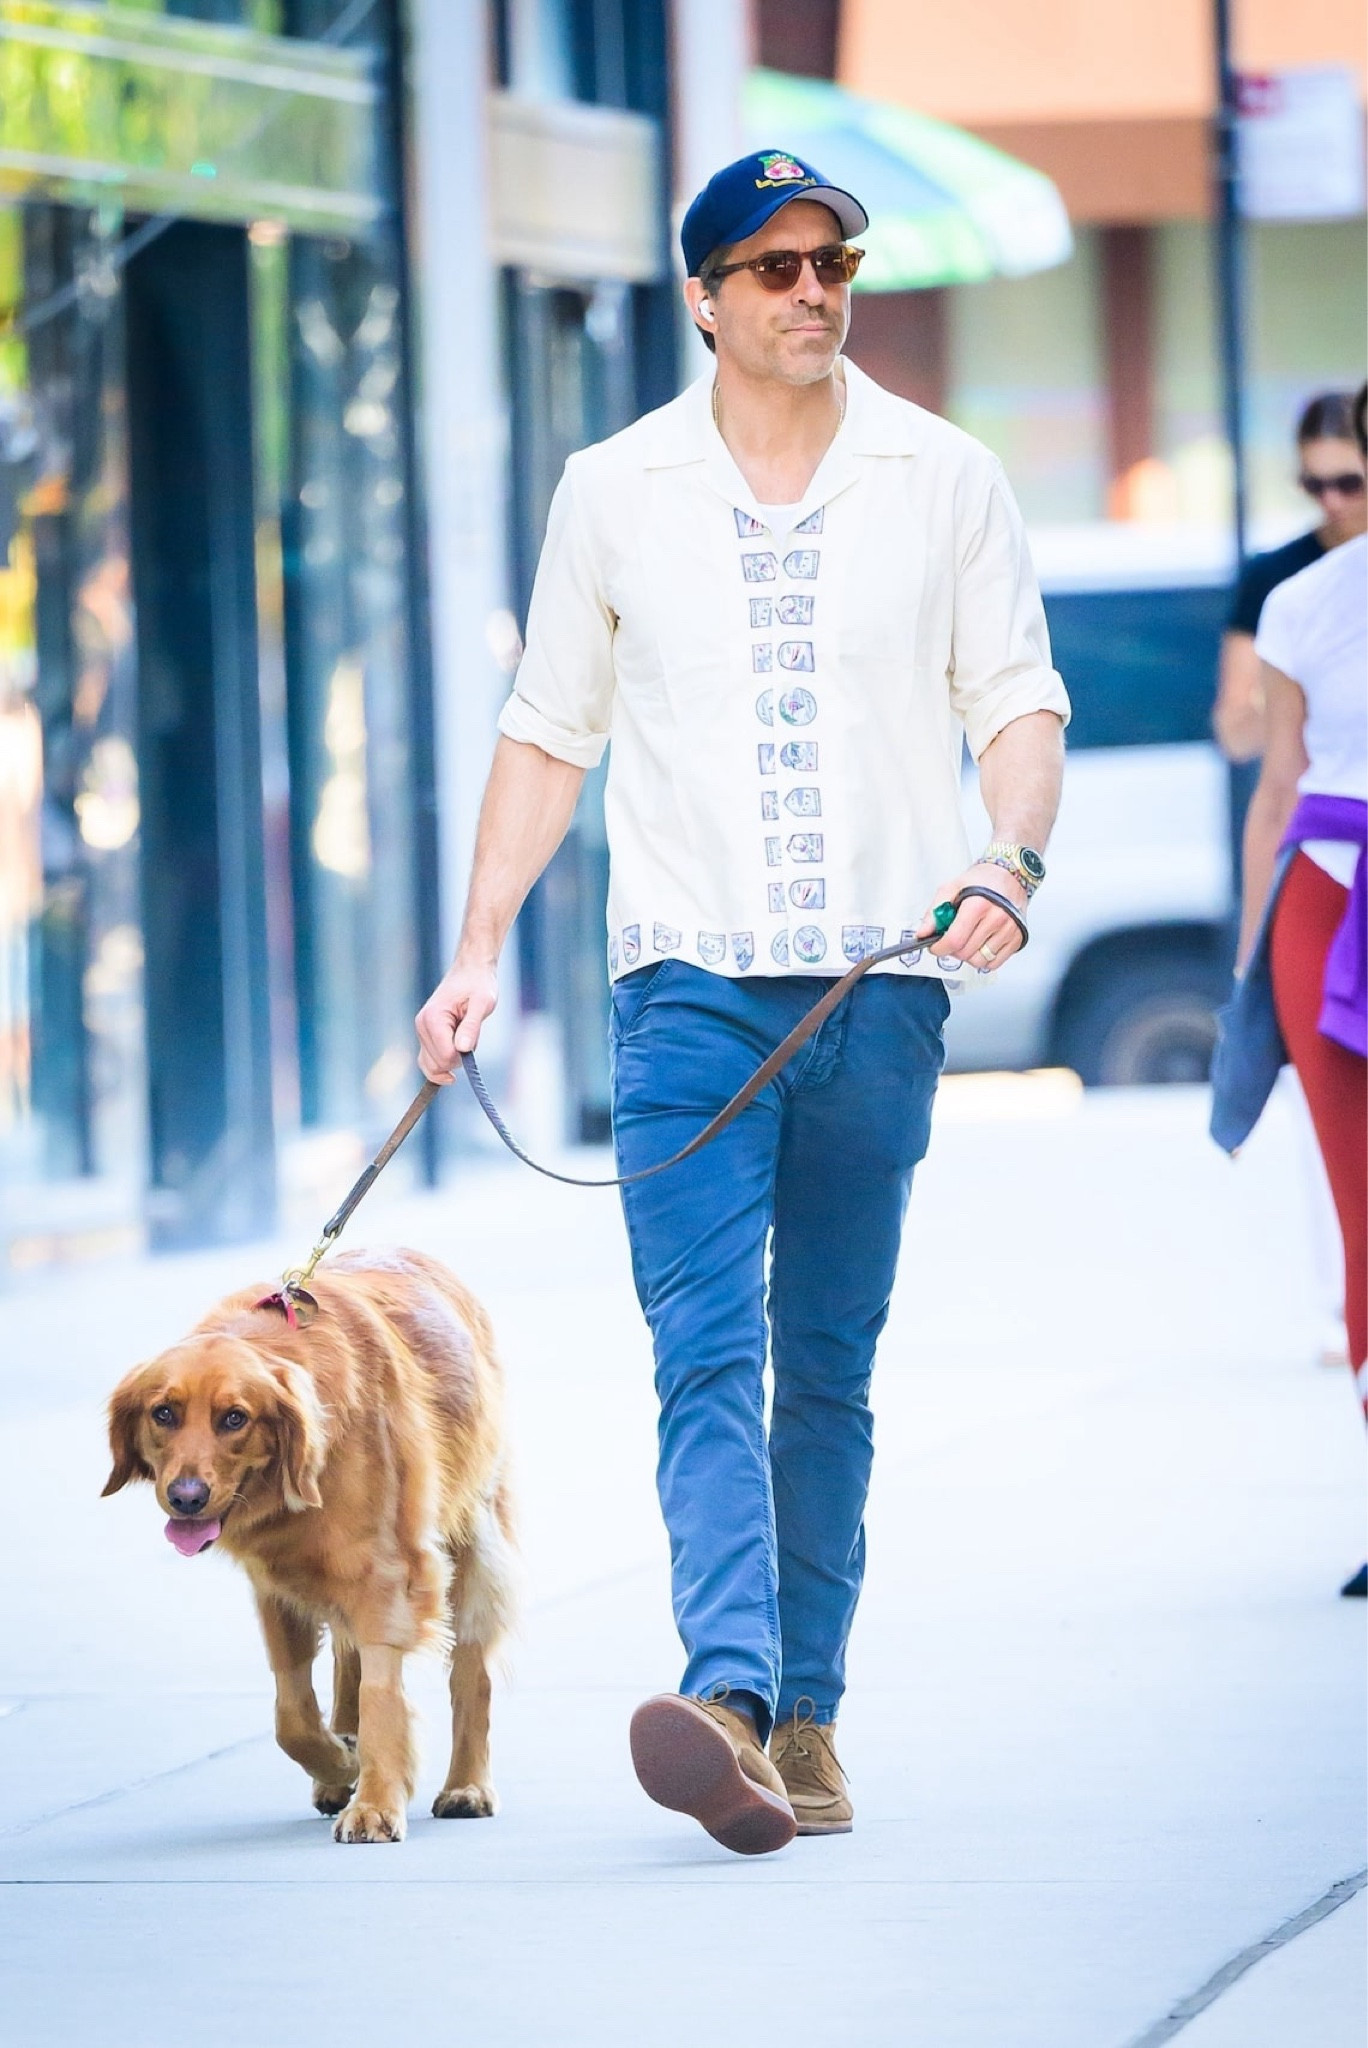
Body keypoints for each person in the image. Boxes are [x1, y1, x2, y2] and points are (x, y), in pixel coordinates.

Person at [416, 150, 1069, 1852]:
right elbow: (547, 729)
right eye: (771, 266)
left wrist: (1005, 855)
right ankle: (722, 1688)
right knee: (701, 1349)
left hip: (879, 987)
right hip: (685, 988)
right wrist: (476, 947)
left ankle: (809, 1715)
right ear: (701, 295)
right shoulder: (610, 490)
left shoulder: (944, 477)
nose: (809, 290)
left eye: (830, 261)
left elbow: (1014, 697)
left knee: (824, 1370)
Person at [1218, 383, 1367, 1599]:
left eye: (1349, 479)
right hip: (1326, 887)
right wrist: (1250, 939)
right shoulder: (1300, 600)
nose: (1334, 502)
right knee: (1361, 1205)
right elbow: (1276, 780)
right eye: (1322, 481)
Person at [1214, 391, 1367, 764]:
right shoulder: (1276, 578)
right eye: (1314, 485)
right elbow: (1234, 734)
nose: (1331, 501)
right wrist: (1299, 689)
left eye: (1349, 484)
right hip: (1320, 797)